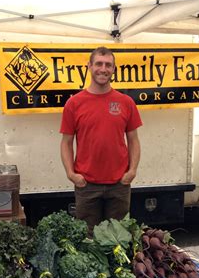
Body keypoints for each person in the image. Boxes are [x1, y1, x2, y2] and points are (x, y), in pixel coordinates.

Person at [60, 46, 142, 234]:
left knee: (118, 239)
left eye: (108, 65)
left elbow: (134, 140)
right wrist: (71, 174)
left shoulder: (126, 102)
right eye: (98, 64)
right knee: (88, 240)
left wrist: (132, 171)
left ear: (114, 69)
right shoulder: (74, 103)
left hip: (119, 185)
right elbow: (66, 143)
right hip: (87, 186)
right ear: (89, 66)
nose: (103, 69)